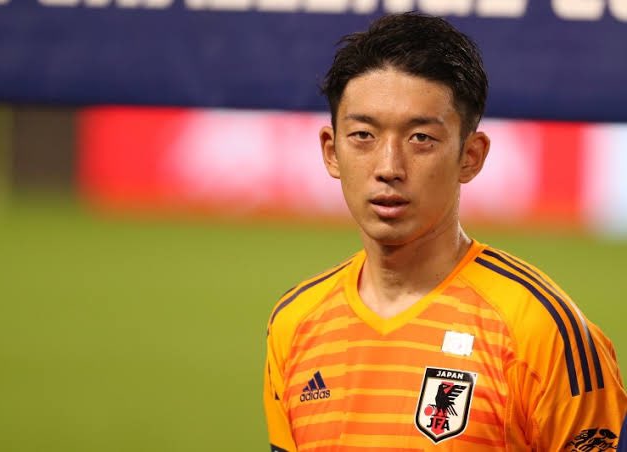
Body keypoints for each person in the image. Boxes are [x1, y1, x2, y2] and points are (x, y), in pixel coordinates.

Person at [263, 12, 627, 451]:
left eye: (421, 138)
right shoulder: (294, 323)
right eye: (363, 135)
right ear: (331, 151)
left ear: (470, 156)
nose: (388, 167)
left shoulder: (542, 331)